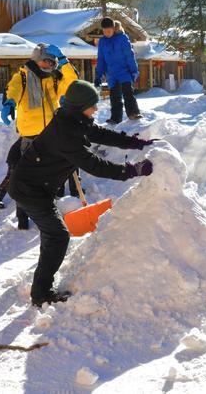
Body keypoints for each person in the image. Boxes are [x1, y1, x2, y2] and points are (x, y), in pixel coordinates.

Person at [8, 80, 156, 307]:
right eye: (92, 105)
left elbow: (100, 133)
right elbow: (94, 165)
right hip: (31, 190)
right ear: (80, 106)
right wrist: (131, 171)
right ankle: (41, 294)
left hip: (37, 186)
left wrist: (134, 143)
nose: (96, 109)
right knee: (57, 237)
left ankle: (41, 287)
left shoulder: (73, 119)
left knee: (52, 236)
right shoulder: (66, 133)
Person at [0, 43, 79, 227]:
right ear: (37, 60)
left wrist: (64, 61)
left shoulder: (54, 78)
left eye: (54, 62)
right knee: (24, 177)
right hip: (30, 136)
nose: (52, 66)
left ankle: (48, 209)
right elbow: (12, 90)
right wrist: (9, 103)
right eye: (49, 61)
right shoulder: (22, 76)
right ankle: (22, 218)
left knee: (49, 174)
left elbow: (73, 82)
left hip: (51, 134)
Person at [94, 17, 142, 124]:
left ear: (113, 28)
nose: (106, 33)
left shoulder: (122, 38)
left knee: (127, 93)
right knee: (115, 97)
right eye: (104, 31)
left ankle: (133, 113)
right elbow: (101, 60)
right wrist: (98, 76)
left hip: (124, 71)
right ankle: (115, 118)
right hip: (112, 74)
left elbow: (129, 55)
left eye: (109, 31)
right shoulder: (102, 42)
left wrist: (134, 71)